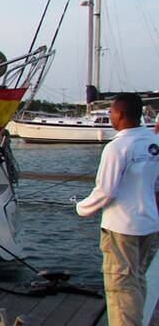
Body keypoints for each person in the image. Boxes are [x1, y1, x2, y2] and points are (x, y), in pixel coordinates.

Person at [76, 93, 159, 326]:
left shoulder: (117, 147)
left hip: (121, 228)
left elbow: (106, 191)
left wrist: (81, 208)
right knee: (137, 279)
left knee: (121, 287)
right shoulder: (154, 142)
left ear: (120, 114)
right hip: (148, 225)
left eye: (111, 112)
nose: (110, 116)